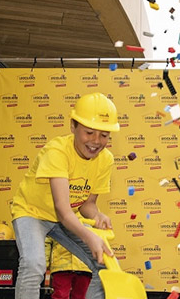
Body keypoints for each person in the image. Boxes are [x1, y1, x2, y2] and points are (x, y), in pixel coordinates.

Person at [11, 92, 119, 299]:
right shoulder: (57, 151)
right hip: (32, 213)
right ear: (73, 126)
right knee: (34, 264)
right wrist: (90, 236)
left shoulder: (106, 160)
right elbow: (63, 209)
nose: (96, 141)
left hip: (66, 218)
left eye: (104, 135)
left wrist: (97, 217)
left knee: (103, 262)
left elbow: (88, 204)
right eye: (89, 132)